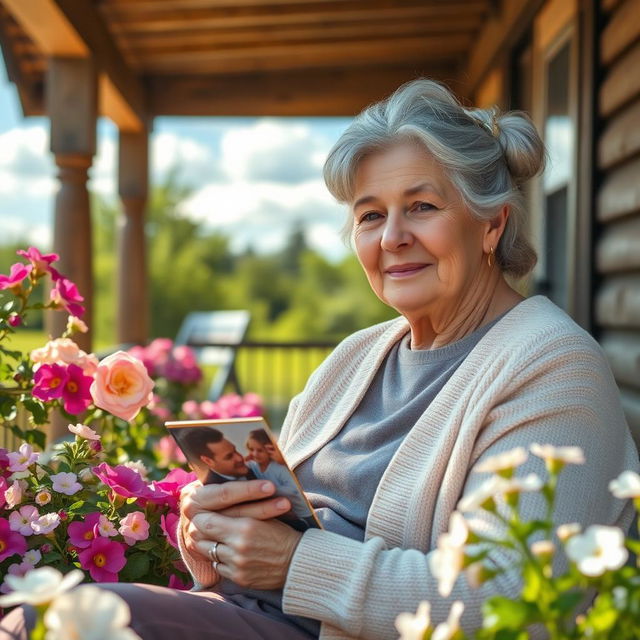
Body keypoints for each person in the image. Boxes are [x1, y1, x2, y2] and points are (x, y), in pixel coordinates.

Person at [2, 78, 639, 640]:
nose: (393, 238)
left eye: (422, 206)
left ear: (491, 225)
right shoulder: (357, 356)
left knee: (52, 622)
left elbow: (503, 600)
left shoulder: (553, 369)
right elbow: (283, 518)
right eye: (370, 215)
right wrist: (214, 532)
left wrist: (291, 565)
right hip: (249, 613)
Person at [245, 429, 317, 527]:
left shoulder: (279, 468)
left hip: (303, 511)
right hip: (286, 512)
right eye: (251, 449)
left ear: (270, 450)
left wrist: (268, 489)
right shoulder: (253, 466)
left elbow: (293, 489)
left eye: (260, 450)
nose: (255, 454)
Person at [180, 427, 257, 485]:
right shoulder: (212, 488)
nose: (240, 458)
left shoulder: (253, 468)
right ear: (208, 461)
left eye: (235, 450)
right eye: (229, 456)